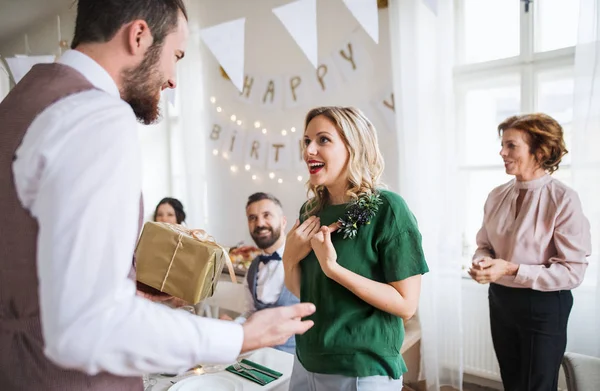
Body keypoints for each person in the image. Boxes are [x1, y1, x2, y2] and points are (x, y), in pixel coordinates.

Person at [0, 1, 314, 390]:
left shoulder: (19, 102)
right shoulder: (97, 115)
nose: (173, 79)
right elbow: (88, 324)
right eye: (176, 55)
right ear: (139, 36)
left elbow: (31, 272)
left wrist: (123, 291)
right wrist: (240, 337)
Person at [283, 106, 429, 390]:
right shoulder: (311, 210)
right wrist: (289, 259)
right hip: (306, 362)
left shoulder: (389, 209)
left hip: (362, 370)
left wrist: (333, 269)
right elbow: (305, 292)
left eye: (323, 140)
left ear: (354, 146)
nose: (309, 150)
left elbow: (406, 305)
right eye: (306, 141)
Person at [469, 113, 591, 391]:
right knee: (512, 382)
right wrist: (482, 263)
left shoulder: (563, 199)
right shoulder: (496, 195)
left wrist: (510, 268)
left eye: (511, 145)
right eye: (503, 145)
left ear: (540, 151)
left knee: (537, 385)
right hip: (500, 299)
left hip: (545, 305)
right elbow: (484, 245)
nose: (502, 152)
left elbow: (573, 271)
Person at [220, 192, 300, 354]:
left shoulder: (302, 260)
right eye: (252, 218)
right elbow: (251, 312)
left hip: (294, 360)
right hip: (257, 356)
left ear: (283, 222)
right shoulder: (253, 267)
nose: (260, 223)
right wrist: (235, 326)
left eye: (266, 215)